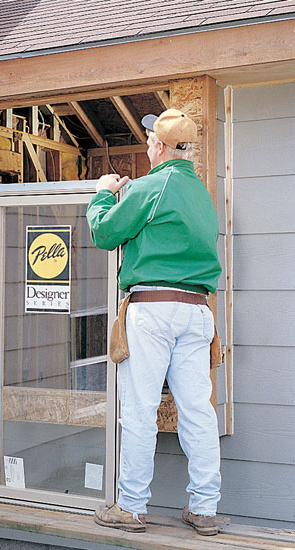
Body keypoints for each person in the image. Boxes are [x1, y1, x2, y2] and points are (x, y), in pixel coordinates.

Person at [86, 109, 222, 536]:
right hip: (199, 311)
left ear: (159, 147)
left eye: (149, 139)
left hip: (154, 308)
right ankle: (204, 509)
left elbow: (105, 233)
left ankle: (130, 507)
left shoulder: (150, 186)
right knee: (198, 412)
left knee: (140, 410)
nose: (147, 144)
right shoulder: (201, 194)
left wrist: (104, 194)